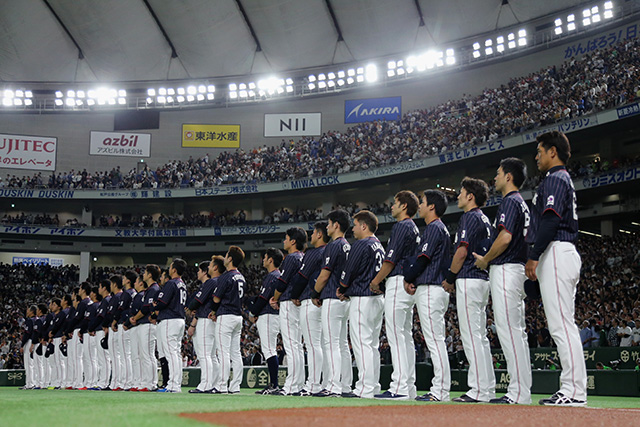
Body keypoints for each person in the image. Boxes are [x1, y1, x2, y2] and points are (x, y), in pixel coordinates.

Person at [525, 131, 587, 407]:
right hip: (560, 251)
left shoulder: (555, 178)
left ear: (553, 151)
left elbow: (550, 221)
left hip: (557, 249)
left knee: (561, 325)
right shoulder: (558, 179)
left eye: (540, 151)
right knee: (562, 324)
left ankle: (573, 391)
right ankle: (573, 390)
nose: (537, 156)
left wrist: (534, 256)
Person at [472, 157, 532, 405]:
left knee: (510, 331)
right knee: (515, 331)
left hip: (507, 268)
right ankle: (521, 391)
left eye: (498, 173)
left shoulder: (510, 200)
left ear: (509, 176)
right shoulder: (521, 202)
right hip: (516, 268)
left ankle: (518, 393)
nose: (495, 178)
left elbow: (505, 238)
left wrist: (485, 259)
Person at [443, 177, 495, 403]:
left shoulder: (469, 217)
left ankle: (478, 390)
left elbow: (462, 252)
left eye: (462, 192)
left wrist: (450, 278)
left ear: (471, 196)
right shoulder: (484, 219)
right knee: (479, 337)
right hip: (482, 279)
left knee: (472, 337)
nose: (458, 196)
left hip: (468, 278)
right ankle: (487, 389)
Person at [369, 191, 421, 400]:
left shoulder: (402, 226)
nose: (392, 206)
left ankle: (399, 387)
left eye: (396, 203)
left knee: (397, 335)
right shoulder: (414, 227)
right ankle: (408, 387)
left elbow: (390, 260)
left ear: (404, 207)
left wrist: (375, 281)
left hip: (399, 280)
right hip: (407, 281)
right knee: (405, 336)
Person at [403, 189, 452, 402]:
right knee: (435, 340)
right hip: (434, 287)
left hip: (431, 288)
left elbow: (422, 259)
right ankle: (441, 389)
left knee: (435, 340)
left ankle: (440, 390)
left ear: (431, 206)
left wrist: (409, 278)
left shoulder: (434, 228)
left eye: (422, 202)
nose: (420, 205)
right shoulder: (439, 228)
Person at [338, 210, 385, 398]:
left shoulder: (362, 243)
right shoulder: (378, 244)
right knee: (372, 345)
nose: (353, 228)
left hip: (362, 297)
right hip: (377, 298)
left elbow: (349, 271)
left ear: (364, 226)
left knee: (362, 343)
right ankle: (372, 387)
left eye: (356, 225)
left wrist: (342, 288)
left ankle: (364, 387)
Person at [311, 209, 353, 398]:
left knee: (332, 343)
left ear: (336, 225)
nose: (327, 227)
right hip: (344, 298)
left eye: (328, 224)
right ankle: (345, 385)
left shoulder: (334, 245)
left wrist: (315, 292)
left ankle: (333, 386)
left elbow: (324, 275)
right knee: (342, 344)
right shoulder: (347, 245)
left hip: (331, 297)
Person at [290, 221, 330, 396]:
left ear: (320, 234)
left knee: (314, 346)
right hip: (324, 301)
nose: (311, 236)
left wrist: (294, 295)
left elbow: (301, 278)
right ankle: (326, 383)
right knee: (323, 345)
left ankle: (313, 385)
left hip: (310, 300)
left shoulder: (314, 253)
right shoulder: (330, 250)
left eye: (314, 233)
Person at [270, 227, 307, 395]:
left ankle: (291, 386)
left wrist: (275, 298)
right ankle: (298, 384)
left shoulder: (291, 257)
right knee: (297, 346)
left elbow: (282, 282)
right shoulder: (303, 257)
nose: (284, 241)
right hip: (298, 301)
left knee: (292, 346)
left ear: (293, 241)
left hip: (288, 301)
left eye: (286, 238)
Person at [211, 246, 246, 394]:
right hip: (238, 317)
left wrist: (213, 310)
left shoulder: (226, 276)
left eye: (226, 255)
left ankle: (221, 386)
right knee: (235, 353)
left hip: (225, 315)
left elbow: (216, 298)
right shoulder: (241, 277)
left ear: (230, 258)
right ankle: (235, 386)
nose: (225, 257)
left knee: (223, 352)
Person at [187, 258, 225, 393]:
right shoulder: (219, 281)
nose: (198, 272)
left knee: (204, 354)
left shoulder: (210, 282)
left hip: (205, 319)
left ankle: (205, 384)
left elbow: (196, 301)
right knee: (211, 355)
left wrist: (191, 308)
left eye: (199, 270)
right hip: (212, 319)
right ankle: (213, 383)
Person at [249, 248, 284, 395]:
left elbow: (263, 298)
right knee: (269, 349)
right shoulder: (276, 275)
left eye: (265, 257)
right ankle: (273, 384)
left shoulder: (273, 276)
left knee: (269, 350)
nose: (263, 259)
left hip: (269, 315)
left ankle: (274, 385)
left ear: (270, 260)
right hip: (273, 315)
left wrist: (253, 312)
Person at [154, 258, 188, 393]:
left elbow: (161, 303)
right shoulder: (182, 284)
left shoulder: (171, 283)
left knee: (171, 353)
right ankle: (175, 384)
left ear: (174, 270)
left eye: (170, 267)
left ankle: (173, 385)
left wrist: (155, 304)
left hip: (170, 319)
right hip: (179, 319)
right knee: (175, 352)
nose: (169, 269)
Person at [123, 276, 145, 391]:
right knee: (136, 356)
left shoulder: (140, 296)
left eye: (136, 282)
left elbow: (136, 312)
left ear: (141, 283)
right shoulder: (138, 295)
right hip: (136, 326)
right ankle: (137, 381)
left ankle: (139, 382)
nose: (134, 284)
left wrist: (128, 323)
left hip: (137, 326)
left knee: (138, 356)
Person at [93, 281, 112, 390]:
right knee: (103, 358)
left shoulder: (106, 300)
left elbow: (102, 317)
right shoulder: (106, 300)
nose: (99, 289)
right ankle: (103, 381)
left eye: (100, 287)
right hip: (102, 329)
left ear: (104, 288)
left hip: (103, 329)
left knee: (104, 358)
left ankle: (104, 382)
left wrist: (91, 328)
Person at [107, 275, 124, 391]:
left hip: (115, 328)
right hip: (118, 327)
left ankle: (117, 382)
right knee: (117, 356)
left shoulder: (117, 297)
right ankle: (116, 382)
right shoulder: (121, 296)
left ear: (114, 284)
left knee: (116, 356)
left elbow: (112, 313)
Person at [20, 305, 37, 390]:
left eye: (28, 310)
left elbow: (27, 333)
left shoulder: (30, 320)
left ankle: (30, 384)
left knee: (28, 364)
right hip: (34, 341)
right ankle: (31, 383)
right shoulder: (36, 320)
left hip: (29, 341)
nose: (27, 311)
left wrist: (22, 345)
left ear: (32, 312)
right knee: (32, 364)